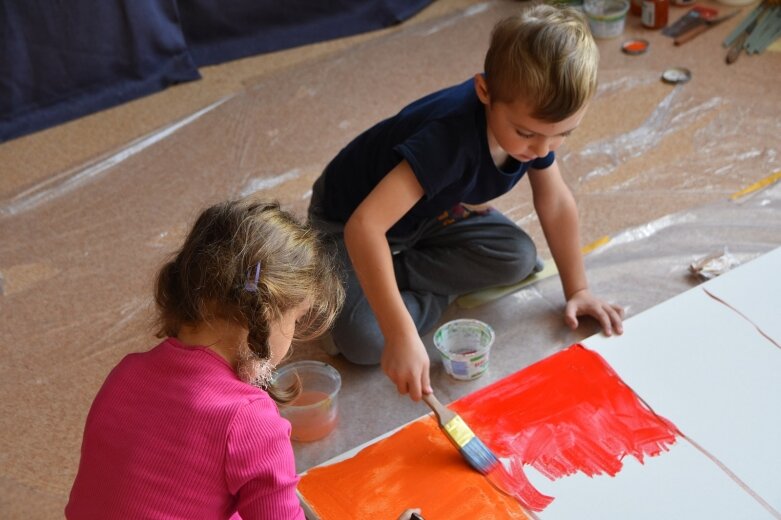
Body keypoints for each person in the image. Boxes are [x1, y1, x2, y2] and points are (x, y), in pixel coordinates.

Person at [308, 2, 624, 402]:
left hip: (429, 213)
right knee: (366, 340)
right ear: (484, 91)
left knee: (518, 258)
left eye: (563, 134)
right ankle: (370, 282)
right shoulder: (447, 139)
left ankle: (386, 276)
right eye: (526, 133)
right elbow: (364, 226)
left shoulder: (536, 127)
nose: (542, 149)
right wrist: (401, 333)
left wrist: (577, 288)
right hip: (346, 220)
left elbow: (555, 200)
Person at [66, 199, 345, 519]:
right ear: (266, 313)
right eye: (297, 318)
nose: (294, 334)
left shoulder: (127, 372)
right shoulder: (249, 418)